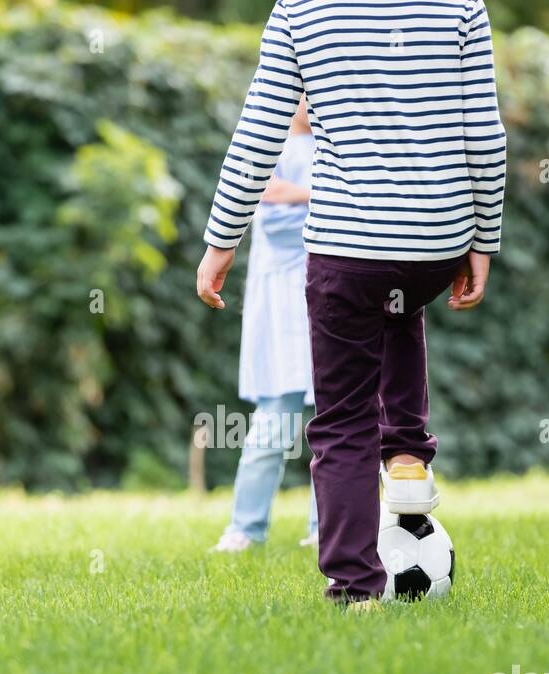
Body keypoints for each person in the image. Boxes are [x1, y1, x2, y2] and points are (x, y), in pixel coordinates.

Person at [196, 0, 507, 608]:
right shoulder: (460, 5)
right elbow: (486, 134)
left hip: (347, 242)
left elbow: (259, 129)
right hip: (434, 239)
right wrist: (482, 238)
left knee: (341, 421)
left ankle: (355, 587)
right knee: (399, 306)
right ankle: (409, 452)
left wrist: (220, 238)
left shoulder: (300, 9)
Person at [210, 96, 321, 553]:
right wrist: (315, 195)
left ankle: (326, 528)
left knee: (340, 420)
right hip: (282, 307)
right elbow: (271, 209)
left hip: (331, 296)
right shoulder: (270, 146)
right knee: (273, 422)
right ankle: (246, 527)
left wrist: (299, 194)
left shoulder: (334, 146)